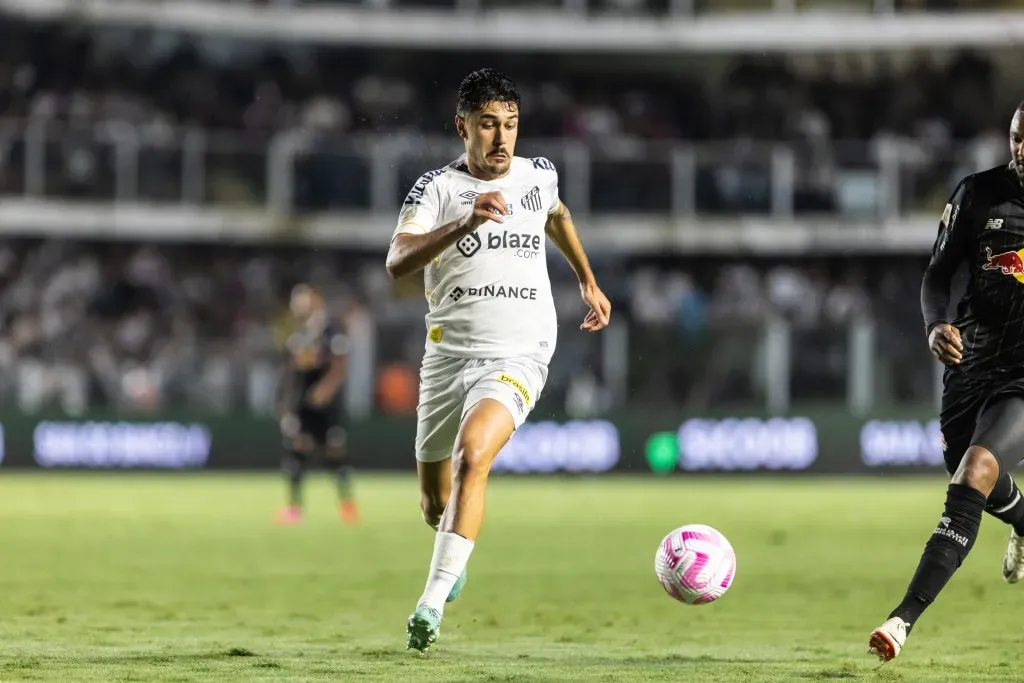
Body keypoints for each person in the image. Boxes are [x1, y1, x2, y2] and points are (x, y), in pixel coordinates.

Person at [385, 68, 612, 653]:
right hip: (446, 357)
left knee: (473, 453)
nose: (501, 137)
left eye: (510, 124)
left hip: (520, 349)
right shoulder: (435, 189)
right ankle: (452, 552)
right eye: (488, 124)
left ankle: (428, 605)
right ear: (461, 126)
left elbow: (555, 214)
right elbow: (397, 262)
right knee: (435, 503)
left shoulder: (538, 175)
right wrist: (465, 221)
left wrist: (587, 280)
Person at [869, 103, 1024, 662]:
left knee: (974, 472)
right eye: (1016, 138)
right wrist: (936, 324)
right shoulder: (978, 194)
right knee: (969, 470)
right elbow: (937, 272)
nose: (1022, 150)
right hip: (971, 359)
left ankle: (901, 620)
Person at [274, 283, 358, 525]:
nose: (296, 304)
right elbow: (290, 373)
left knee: (333, 454)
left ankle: (347, 505)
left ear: (315, 300)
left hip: (325, 406)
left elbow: (339, 364)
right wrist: (285, 405)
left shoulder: (330, 331)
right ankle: (294, 509)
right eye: (294, 300)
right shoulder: (297, 336)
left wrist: (326, 389)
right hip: (301, 405)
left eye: (301, 299)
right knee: (296, 450)